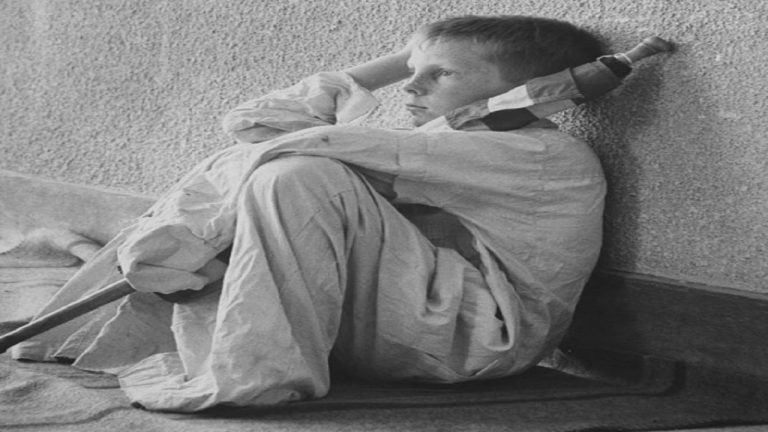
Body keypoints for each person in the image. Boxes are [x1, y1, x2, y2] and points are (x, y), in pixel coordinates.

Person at [13, 15, 607, 412]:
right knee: (284, 169)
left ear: (530, 90)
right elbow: (254, 124)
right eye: (411, 73)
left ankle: (259, 374)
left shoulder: (539, 155)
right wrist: (412, 55)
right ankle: (190, 331)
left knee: (300, 174)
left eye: (439, 75)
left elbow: (282, 142)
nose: (410, 87)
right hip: (409, 325)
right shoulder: (447, 144)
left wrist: (189, 239)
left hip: (476, 343)